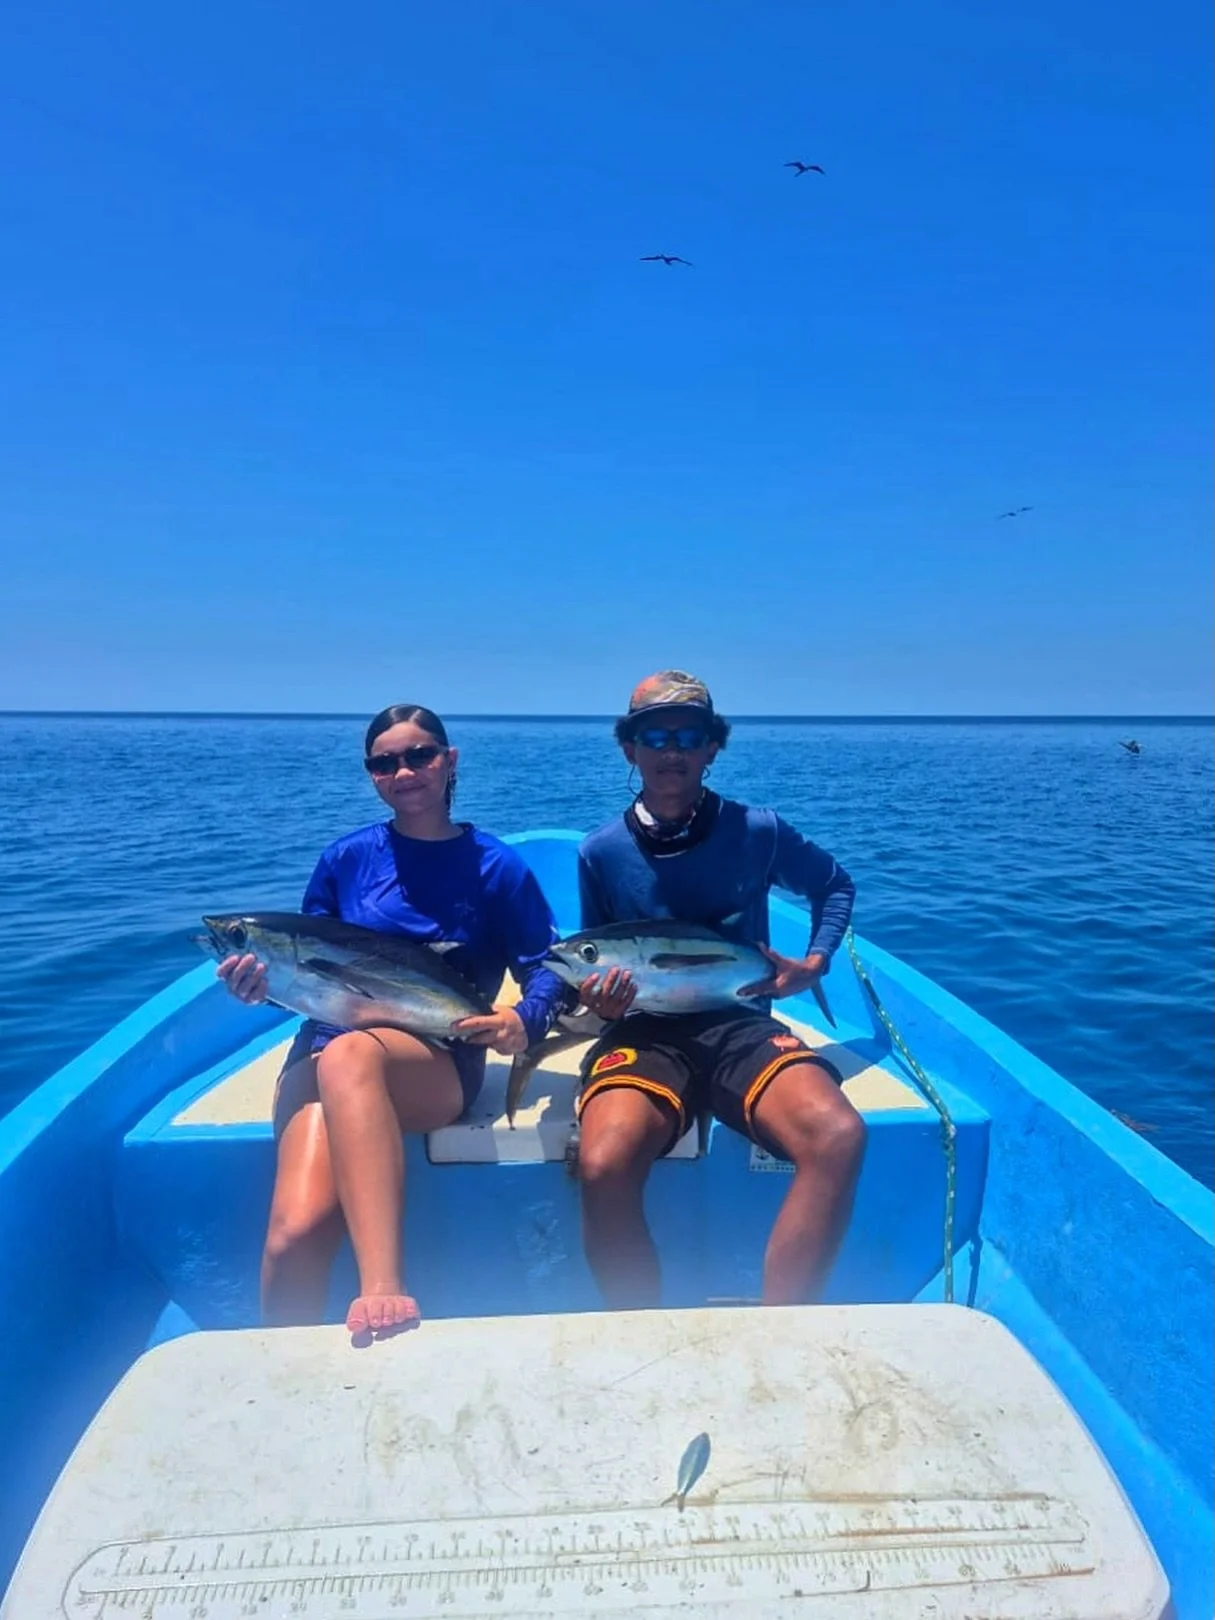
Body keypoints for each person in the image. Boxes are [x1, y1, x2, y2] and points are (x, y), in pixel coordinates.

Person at [216, 704, 564, 1339]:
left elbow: (548, 967)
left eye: (420, 755)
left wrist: (524, 1019)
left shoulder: (495, 866)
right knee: (294, 1236)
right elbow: (308, 978)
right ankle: (277, 1370)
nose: (404, 772)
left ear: (449, 761)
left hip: (437, 1055)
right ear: (372, 775)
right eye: (385, 763)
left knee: (352, 1055)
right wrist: (261, 991)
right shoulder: (345, 860)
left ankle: (383, 1287)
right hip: (325, 1042)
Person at [574, 671, 866, 1309]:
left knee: (838, 1135)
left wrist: (814, 963)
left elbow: (834, 885)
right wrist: (600, 1001)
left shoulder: (757, 831)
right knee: (601, 1164)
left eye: (690, 736)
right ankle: (639, 1334)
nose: (672, 751)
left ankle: (782, 1333)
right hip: (644, 1030)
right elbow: (597, 952)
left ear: (712, 747)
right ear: (629, 748)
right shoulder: (600, 852)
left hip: (741, 1024)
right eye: (655, 736)